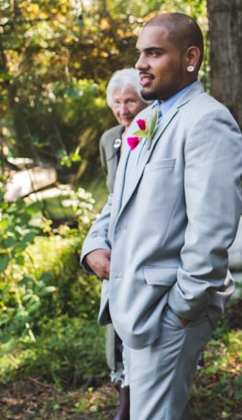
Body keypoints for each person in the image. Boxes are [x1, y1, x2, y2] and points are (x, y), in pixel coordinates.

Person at [81, 12, 242, 420]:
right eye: (139, 53)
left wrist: (182, 306)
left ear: (190, 57)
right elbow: (117, 200)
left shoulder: (207, 120)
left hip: (167, 309)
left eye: (154, 53)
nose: (140, 64)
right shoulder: (145, 120)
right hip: (134, 306)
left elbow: (213, 227)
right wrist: (94, 245)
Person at [98, 68, 152, 420]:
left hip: (148, 241)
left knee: (146, 323)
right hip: (117, 244)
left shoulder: (154, 129)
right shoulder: (108, 139)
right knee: (116, 324)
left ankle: (152, 397)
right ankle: (125, 399)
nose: (123, 109)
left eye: (130, 100)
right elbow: (111, 193)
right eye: (116, 102)